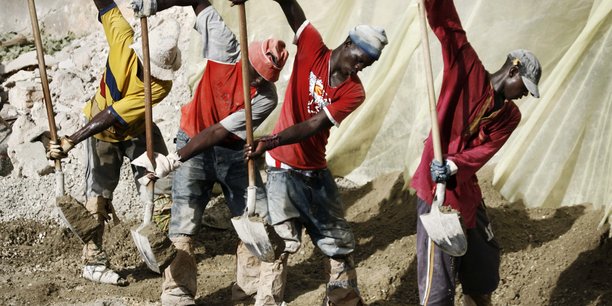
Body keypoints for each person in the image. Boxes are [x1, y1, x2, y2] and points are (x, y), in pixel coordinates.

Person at [129, 0, 289, 304]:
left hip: (231, 152)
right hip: (193, 140)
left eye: (264, 79)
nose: (255, 82)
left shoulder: (265, 97)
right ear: (248, 59)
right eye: (254, 74)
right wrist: (155, 4)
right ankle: (177, 292)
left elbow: (217, 131)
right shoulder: (224, 45)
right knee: (183, 222)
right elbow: (199, 1)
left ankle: (256, 290)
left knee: (258, 219)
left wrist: (174, 159)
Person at [242, 0, 387, 305]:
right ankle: (265, 301)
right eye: (360, 59)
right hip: (282, 168)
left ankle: (343, 300)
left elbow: (315, 123)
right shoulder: (312, 46)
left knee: (339, 244)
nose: (360, 68)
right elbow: (290, 6)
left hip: (315, 171)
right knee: (278, 242)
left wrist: (269, 141)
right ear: (348, 44)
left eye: (367, 65)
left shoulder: (354, 91)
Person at [410, 0, 542, 305]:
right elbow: (449, 25)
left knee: (484, 269)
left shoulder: (510, 116)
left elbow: (485, 150)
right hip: (436, 195)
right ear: (513, 69)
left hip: (466, 190)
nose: (524, 95)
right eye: (524, 86)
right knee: (438, 286)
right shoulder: (467, 68)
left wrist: (454, 166)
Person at [45, 0, 182, 286]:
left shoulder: (160, 86)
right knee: (97, 199)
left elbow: (114, 113)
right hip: (101, 133)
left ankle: (157, 246)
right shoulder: (123, 37)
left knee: (163, 188)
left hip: (136, 130)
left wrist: (72, 138)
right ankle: (93, 261)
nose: (155, 75)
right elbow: (106, 3)